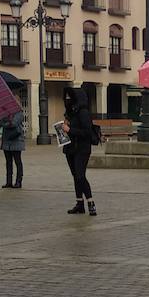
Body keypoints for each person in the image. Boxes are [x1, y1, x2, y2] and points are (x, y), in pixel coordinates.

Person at [60, 87, 96, 216]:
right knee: (75, 175)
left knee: (80, 175)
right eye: (66, 97)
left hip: (82, 148)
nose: (68, 99)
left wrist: (70, 130)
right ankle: (79, 203)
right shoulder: (70, 112)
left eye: (70, 97)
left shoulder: (83, 112)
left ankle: (90, 202)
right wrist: (63, 129)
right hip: (70, 148)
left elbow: (87, 132)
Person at [0, 107, 26, 188]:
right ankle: (8, 182)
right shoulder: (5, 113)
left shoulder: (19, 113)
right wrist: (5, 122)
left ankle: (18, 181)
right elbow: (0, 122)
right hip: (7, 140)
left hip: (16, 140)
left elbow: (14, 123)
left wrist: (5, 123)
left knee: (17, 161)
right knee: (8, 162)